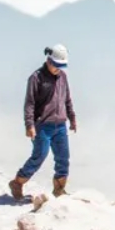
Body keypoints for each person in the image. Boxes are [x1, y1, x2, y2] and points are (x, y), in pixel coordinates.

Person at [9, 44, 77, 200]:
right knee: (39, 155)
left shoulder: (63, 77)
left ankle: (59, 190)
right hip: (42, 126)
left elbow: (67, 99)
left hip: (60, 125)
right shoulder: (36, 78)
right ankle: (18, 182)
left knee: (63, 158)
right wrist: (29, 125)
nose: (58, 69)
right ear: (48, 60)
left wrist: (72, 118)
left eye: (61, 66)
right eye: (56, 65)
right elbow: (29, 103)